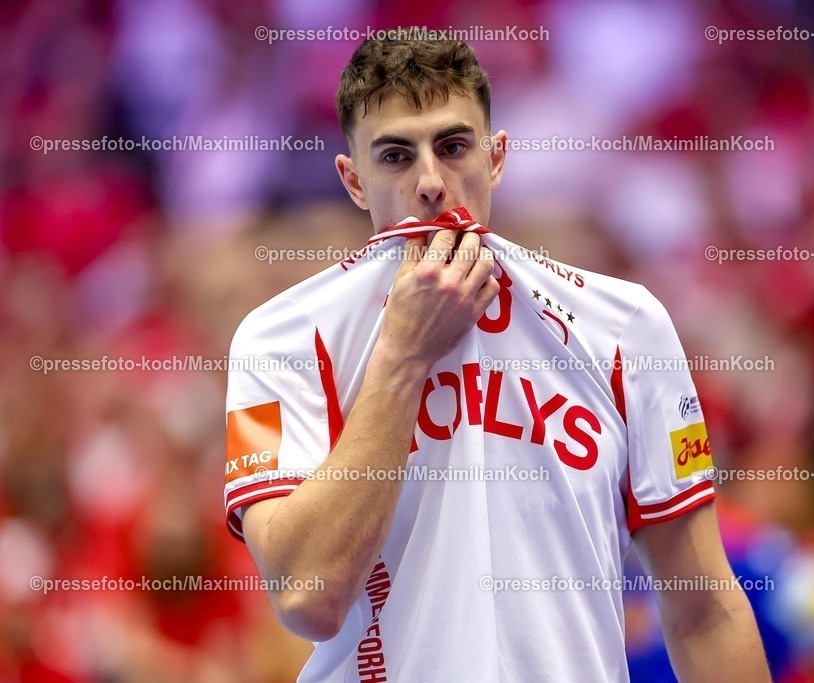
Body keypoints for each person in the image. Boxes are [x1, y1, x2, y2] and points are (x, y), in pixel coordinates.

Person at [224, 31, 769, 682]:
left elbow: (704, 608)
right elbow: (308, 595)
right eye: (395, 155)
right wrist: (401, 356)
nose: (430, 183)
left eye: (453, 147)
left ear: (497, 157)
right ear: (354, 181)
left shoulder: (626, 328)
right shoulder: (274, 342)